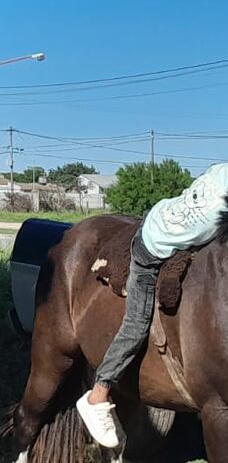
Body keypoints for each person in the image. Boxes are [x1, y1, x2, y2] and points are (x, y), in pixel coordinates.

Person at [76, 162, 228, 448]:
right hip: (149, 248)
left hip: (163, 212)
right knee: (135, 324)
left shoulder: (223, 172)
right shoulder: (216, 217)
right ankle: (99, 392)